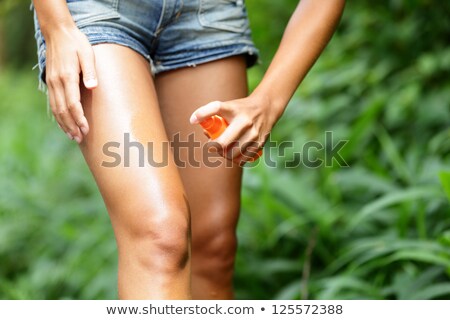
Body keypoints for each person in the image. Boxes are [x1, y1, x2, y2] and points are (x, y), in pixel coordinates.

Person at [32, 0, 345, 299]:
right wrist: (57, 26)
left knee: (215, 248)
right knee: (160, 234)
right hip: (95, 10)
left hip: (210, 14)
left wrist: (268, 101)